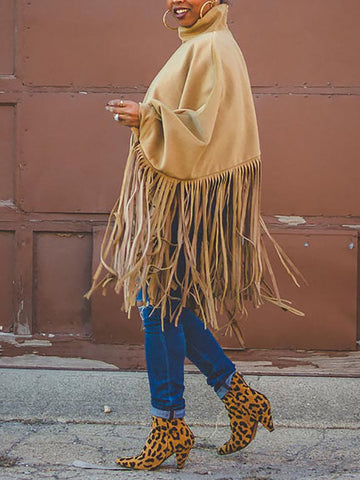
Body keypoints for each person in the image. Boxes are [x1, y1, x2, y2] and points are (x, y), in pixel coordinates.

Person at [85, 0, 303, 471]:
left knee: (156, 304)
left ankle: (169, 423)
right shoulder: (202, 44)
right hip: (187, 199)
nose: (175, 2)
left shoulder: (212, 47)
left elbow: (203, 130)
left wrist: (147, 116)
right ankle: (237, 397)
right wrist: (146, 116)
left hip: (190, 203)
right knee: (168, 305)